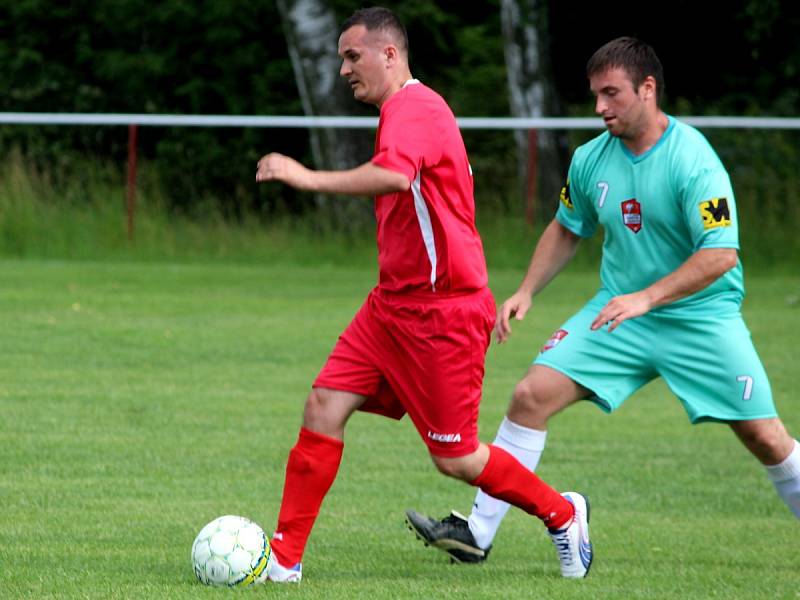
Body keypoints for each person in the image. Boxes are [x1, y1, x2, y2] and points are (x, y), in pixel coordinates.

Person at [406, 35, 800, 565]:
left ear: (648, 88)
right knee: (529, 396)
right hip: (620, 312)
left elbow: (721, 255)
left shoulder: (693, 161)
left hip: (700, 316)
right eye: (595, 95)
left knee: (765, 438)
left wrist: (649, 297)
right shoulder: (592, 158)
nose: (600, 107)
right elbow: (568, 229)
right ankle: (476, 533)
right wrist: (526, 289)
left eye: (611, 94)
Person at [254, 6, 592, 583]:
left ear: (390, 54)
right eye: (340, 57)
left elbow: (393, 175)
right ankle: (285, 561)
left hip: (444, 314)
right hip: (390, 307)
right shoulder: (397, 111)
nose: (343, 69)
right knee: (323, 407)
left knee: (455, 458)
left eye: (352, 56)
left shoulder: (415, 106)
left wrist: (306, 177)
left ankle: (563, 514)